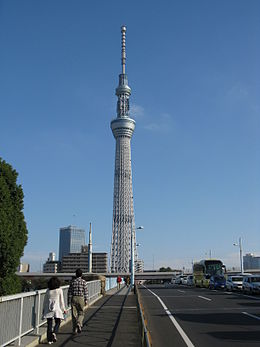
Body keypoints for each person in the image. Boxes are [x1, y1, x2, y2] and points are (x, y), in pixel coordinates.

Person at [42, 277, 67, 344]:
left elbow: (45, 302)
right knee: (58, 322)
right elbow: (62, 301)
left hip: (48, 310)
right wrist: (64, 309)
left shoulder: (48, 290)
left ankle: (49, 340)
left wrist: (43, 310)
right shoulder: (59, 290)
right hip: (56, 309)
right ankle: (54, 333)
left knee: (49, 324)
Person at [68, 268, 88, 334]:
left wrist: (68, 300)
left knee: (74, 315)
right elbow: (85, 291)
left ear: (76, 274)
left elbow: (69, 292)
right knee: (81, 313)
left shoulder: (72, 282)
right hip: (81, 298)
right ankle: (79, 323)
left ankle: (74, 330)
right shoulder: (84, 282)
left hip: (73, 298)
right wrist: (86, 300)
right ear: (81, 275)